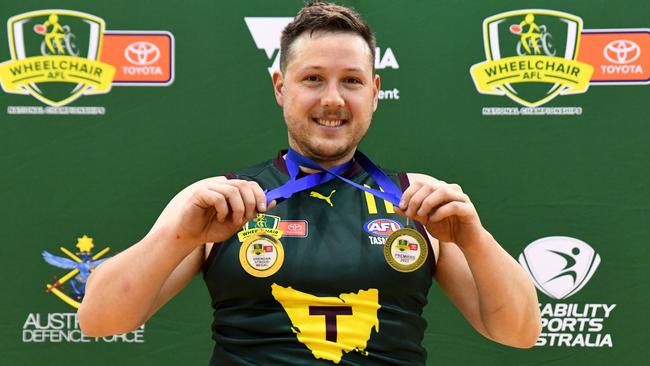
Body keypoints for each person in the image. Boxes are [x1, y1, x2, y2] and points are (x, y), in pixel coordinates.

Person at [78, 2, 541, 365]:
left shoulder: (418, 201)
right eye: (313, 79)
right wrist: (178, 234)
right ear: (281, 87)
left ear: (375, 92)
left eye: (352, 81)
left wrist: (474, 239)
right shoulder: (218, 200)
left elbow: (519, 332)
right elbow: (99, 320)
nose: (333, 99)